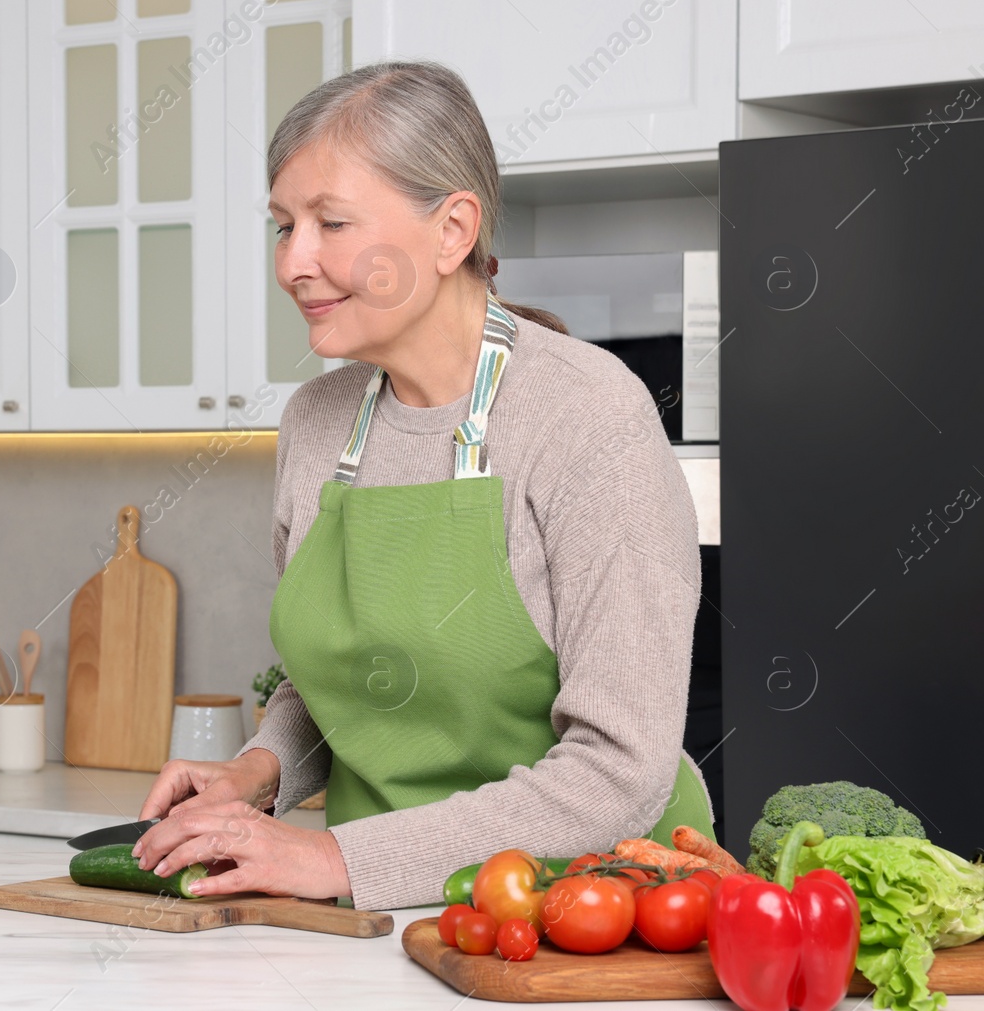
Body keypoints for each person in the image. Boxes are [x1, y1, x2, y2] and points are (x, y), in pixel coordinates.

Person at [133, 60, 716, 911]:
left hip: (591, 915)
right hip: (373, 914)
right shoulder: (317, 421)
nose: (295, 261)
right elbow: (339, 684)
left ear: (451, 232)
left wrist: (333, 859)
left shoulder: (589, 417)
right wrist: (257, 771)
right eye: (283, 225)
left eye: (331, 222)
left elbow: (616, 773)